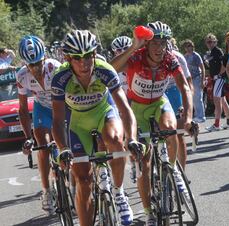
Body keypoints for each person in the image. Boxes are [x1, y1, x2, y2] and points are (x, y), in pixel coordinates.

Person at [51, 30, 143, 226]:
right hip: (77, 122)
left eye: (88, 56)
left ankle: (118, 193)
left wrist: (132, 138)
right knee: (83, 182)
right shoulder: (60, 78)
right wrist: (63, 149)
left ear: (94, 54)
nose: (84, 63)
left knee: (116, 141)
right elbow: (58, 120)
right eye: (77, 58)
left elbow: (125, 109)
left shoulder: (105, 69)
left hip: (103, 113)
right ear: (68, 58)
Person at [111, 21, 193, 226]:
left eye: (163, 43)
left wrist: (190, 118)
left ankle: (172, 170)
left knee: (170, 130)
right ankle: (148, 212)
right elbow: (111, 69)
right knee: (143, 162)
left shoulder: (169, 59)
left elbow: (184, 87)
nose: (159, 48)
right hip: (136, 108)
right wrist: (133, 47)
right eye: (154, 43)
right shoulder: (136, 57)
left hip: (159, 102)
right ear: (146, 44)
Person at [17, 35, 62, 214]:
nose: (36, 68)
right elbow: (22, 109)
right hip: (42, 108)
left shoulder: (56, 68)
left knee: (70, 144)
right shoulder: (22, 76)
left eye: (38, 63)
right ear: (25, 64)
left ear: (44, 58)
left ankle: (73, 184)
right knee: (42, 146)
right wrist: (28, 138)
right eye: (31, 65)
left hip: (62, 106)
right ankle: (46, 191)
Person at [111, 35, 138, 184]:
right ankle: (133, 163)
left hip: (138, 101)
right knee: (127, 135)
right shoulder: (114, 70)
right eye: (118, 51)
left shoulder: (137, 63)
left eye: (125, 50)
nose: (122, 53)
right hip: (122, 104)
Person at [165, 37, 193, 169]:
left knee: (179, 134)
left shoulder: (178, 57)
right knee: (163, 134)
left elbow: (189, 83)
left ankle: (181, 171)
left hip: (176, 90)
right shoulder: (151, 57)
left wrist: (187, 106)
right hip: (160, 92)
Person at [204, 33, 229, 132]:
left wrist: (219, 75)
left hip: (219, 79)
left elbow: (224, 65)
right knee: (223, 100)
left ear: (215, 42)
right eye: (207, 42)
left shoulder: (217, 51)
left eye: (211, 41)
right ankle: (228, 122)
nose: (209, 44)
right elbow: (212, 66)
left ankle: (216, 124)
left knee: (217, 101)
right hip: (216, 78)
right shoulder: (210, 52)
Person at [183, 39, 206, 123]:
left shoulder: (196, 55)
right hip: (189, 79)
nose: (189, 48)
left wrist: (203, 80)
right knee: (191, 98)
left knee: (198, 98)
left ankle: (201, 116)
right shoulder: (185, 56)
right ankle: (195, 116)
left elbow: (202, 68)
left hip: (197, 78)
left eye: (190, 46)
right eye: (187, 46)